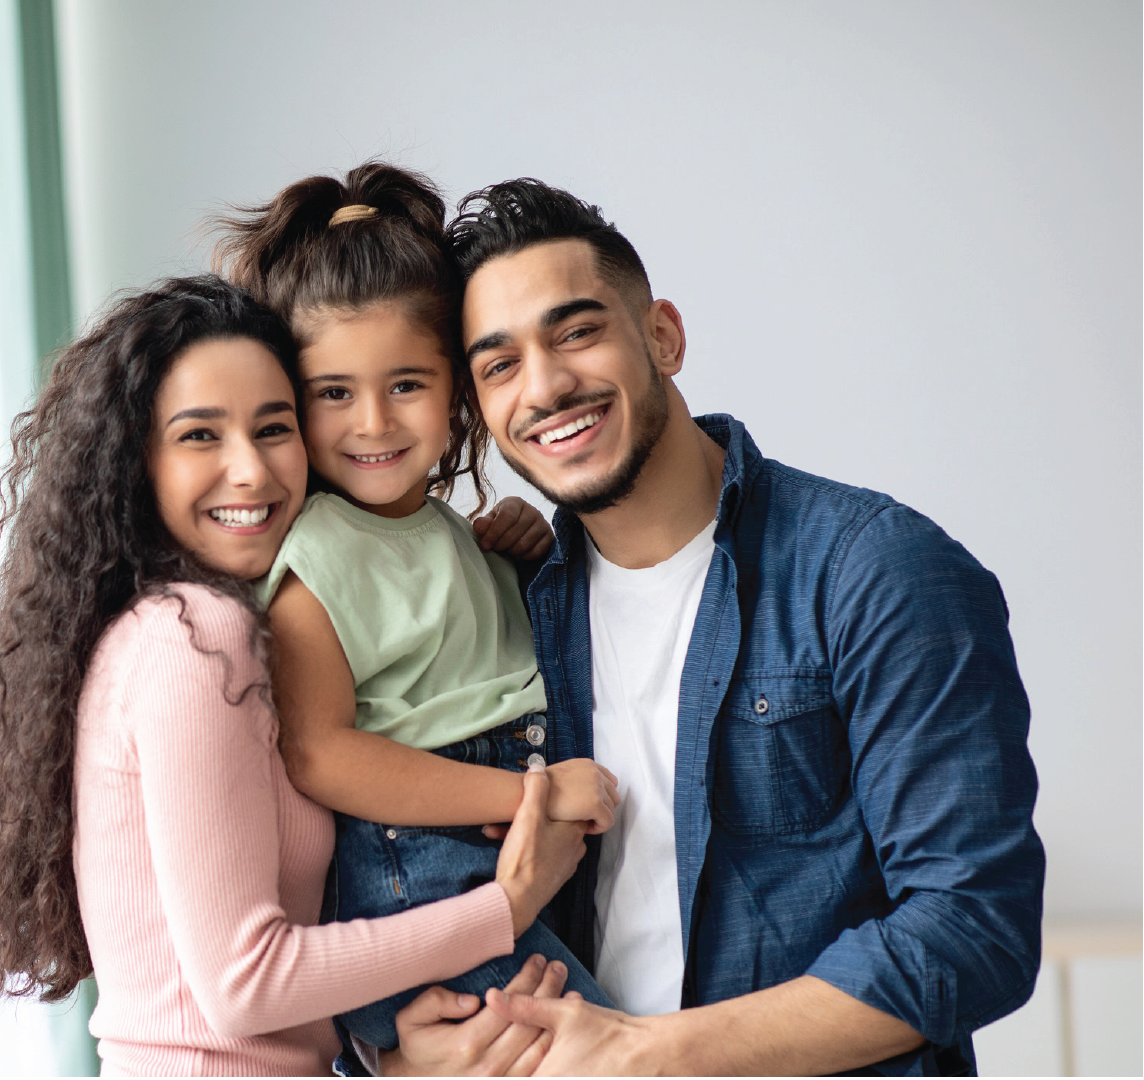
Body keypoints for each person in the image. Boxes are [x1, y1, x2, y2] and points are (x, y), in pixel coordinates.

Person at [443, 178, 1044, 1074]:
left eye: (577, 332)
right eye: (498, 365)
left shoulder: (877, 571)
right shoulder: (507, 607)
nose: (547, 385)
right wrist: (396, 1056)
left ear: (663, 337)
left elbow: (972, 928)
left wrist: (648, 1056)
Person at [0, 275, 586, 1076]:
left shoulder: (197, 625)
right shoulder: (193, 638)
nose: (250, 472)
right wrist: (504, 907)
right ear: (136, 461)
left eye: (273, 429)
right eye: (200, 436)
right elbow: (246, 985)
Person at [210, 162, 621, 1053]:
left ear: (458, 394)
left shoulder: (444, 531)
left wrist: (520, 553)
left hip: (484, 848)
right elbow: (320, 752)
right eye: (333, 394)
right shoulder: (316, 551)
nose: (373, 423)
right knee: (620, 1057)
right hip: (426, 870)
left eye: (406, 384)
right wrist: (527, 799)